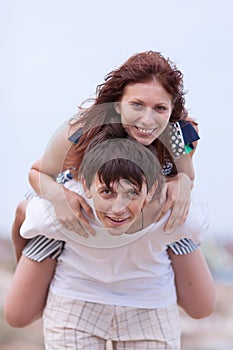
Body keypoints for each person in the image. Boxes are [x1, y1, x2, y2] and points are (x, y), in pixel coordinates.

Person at [5, 137, 215, 350]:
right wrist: (26, 250)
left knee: (202, 305)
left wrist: (183, 181)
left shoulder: (174, 210)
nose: (118, 208)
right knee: (17, 314)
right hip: (78, 282)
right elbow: (25, 205)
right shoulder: (73, 205)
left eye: (131, 194)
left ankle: (165, 232)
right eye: (108, 193)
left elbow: (188, 136)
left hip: (153, 230)